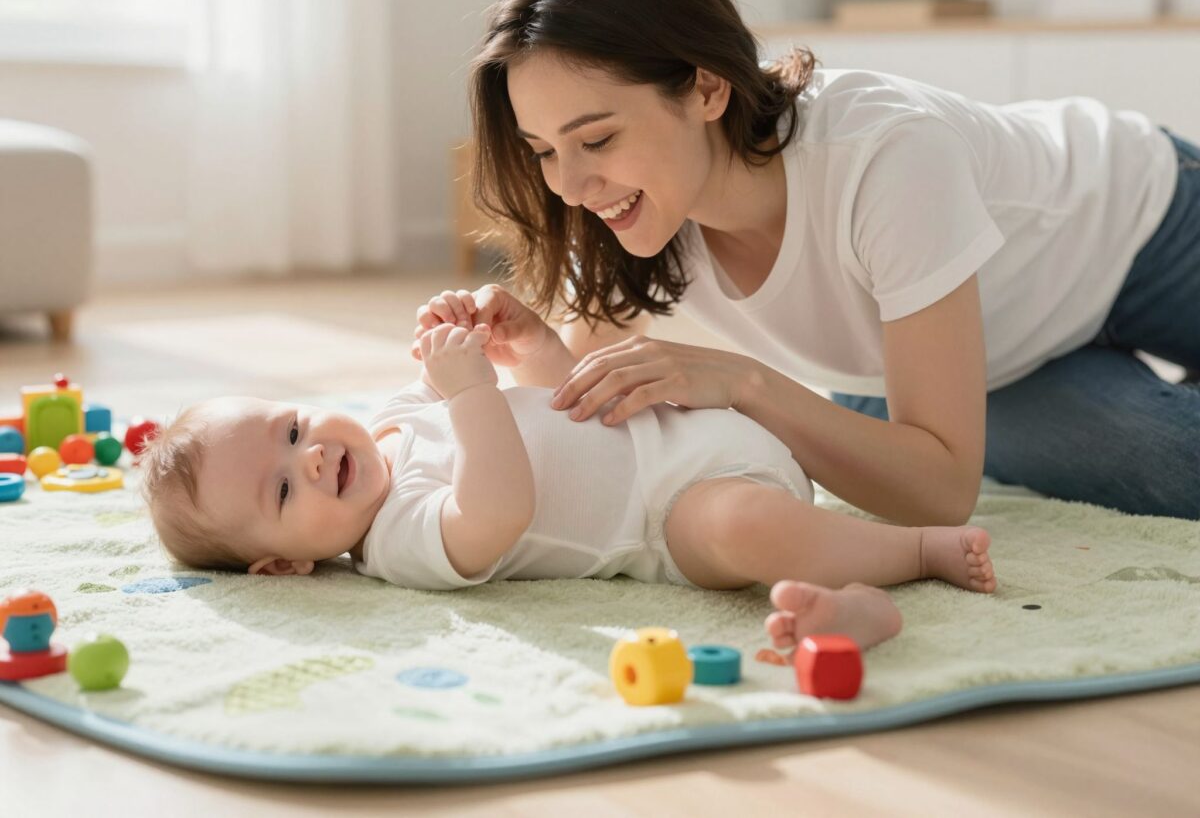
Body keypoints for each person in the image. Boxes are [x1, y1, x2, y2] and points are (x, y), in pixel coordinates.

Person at [458, 0, 1200, 523]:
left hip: (1141, 225)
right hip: (1001, 357)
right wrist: (534, 348)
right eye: (544, 151)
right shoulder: (631, 203)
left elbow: (939, 493)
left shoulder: (886, 155)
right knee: (1177, 468)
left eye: (596, 140)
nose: (572, 184)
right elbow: (586, 408)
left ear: (707, 88)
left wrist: (746, 383)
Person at [139, 310, 997, 656]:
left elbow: (548, 403)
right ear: (283, 566)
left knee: (611, 347)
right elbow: (500, 509)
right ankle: (903, 560)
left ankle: (848, 550)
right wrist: (471, 389)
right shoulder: (395, 542)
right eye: (283, 492)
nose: (313, 458)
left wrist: (509, 343)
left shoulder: (394, 415)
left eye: (293, 430)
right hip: (672, 518)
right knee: (744, 532)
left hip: (683, 420)